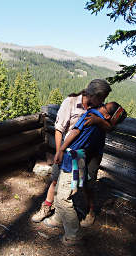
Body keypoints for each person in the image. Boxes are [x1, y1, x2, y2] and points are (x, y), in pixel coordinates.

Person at [44, 102, 127, 246]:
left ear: (107, 116)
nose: (101, 105)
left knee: (73, 192)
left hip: (79, 157)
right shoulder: (95, 114)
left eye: (104, 106)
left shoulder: (95, 118)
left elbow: (77, 131)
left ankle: (77, 228)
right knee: (62, 191)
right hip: (77, 156)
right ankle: (58, 217)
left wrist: (62, 149)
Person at [31, 79, 112, 224]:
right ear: (91, 94)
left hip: (92, 152)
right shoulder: (71, 102)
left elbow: (109, 126)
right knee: (57, 178)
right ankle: (48, 207)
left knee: (87, 183)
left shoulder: (100, 108)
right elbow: (59, 129)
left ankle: (90, 211)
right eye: (101, 98)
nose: (103, 101)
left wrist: (98, 121)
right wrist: (59, 151)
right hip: (70, 150)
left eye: (104, 98)